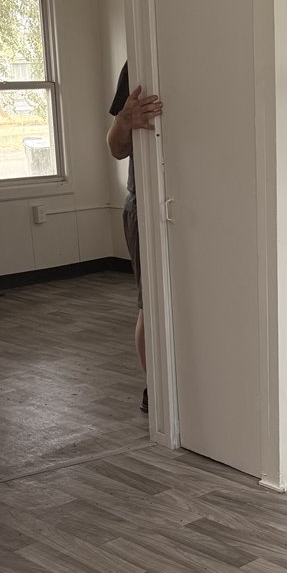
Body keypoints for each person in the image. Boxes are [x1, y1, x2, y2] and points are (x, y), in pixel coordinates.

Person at [107, 64, 162, 412]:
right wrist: (124, 122)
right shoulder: (139, 61)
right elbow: (115, 148)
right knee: (151, 304)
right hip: (144, 207)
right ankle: (154, 389)